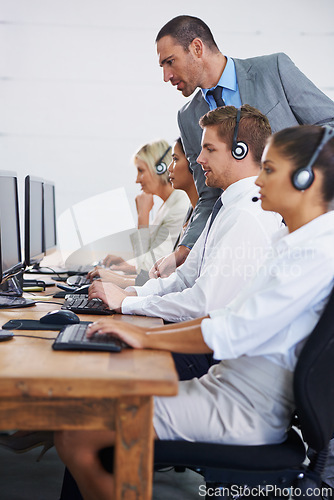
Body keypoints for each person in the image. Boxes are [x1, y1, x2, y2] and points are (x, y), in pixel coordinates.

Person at [54, 124, 334, 500]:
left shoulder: (314, 253)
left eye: (269, 169)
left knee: (78, 433)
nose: (258, 179)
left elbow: (231, 329)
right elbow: (221, 315)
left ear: (306, 179)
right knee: (89, 415)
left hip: (243, 410)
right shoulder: (293, 241)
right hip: (228, 387)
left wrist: (143, 333)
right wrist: (142, 334)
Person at [152, 15, 334, 279]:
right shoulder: (188, 117)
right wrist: (184, 249)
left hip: (312, 228)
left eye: (170, 62)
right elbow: (208, 194)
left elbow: (329, 124)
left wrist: (300, 176)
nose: (166, 76)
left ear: (197, 48)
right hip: (251, 244)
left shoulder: (274, 70)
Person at [87, 105, 283, 326]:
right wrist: (131, 293)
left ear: (240, 151)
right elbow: (183, 279)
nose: (198, 159)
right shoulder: (227, 206)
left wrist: (127, 303)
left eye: (209, 149)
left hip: (217, 350)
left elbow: (202, 304)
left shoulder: (246, 214)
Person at [88, 138, 198, 288]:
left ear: (160, 168)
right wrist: (129, 266)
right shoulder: (168, 204)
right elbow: (154, 263)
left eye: (141, 171)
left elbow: (147, 268)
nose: (137, 180)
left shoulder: (179, 206)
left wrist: (143, 217)